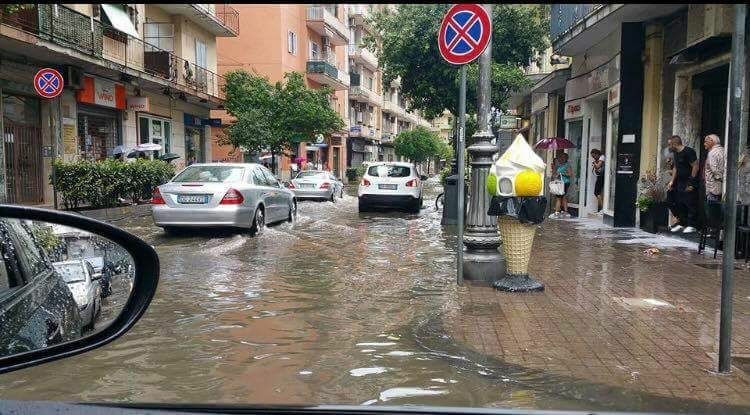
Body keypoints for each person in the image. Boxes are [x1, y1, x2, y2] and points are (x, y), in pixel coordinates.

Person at [666, 135, 699, 233]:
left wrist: (691, 182)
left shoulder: (689, 151)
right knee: (679, 202)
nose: (668, 147)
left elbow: (695, 166)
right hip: (679, 182)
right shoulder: (676, 153)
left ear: (675, 144)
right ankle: (682, 223)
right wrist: (672, 181)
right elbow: (676, 167)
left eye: (669, 145)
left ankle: (692, 225)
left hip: (688, 181)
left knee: (690, 203)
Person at [549, 152, 573, 219]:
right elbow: (555, 173)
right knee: (563, 197)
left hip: (564, 183)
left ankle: (557, 212)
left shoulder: (567, 165)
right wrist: (553, 168)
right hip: (561, 183)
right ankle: (565, 211)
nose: (560, 159)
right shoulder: (560, 165)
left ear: (565, 158)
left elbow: (570, 174)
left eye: (562, 157)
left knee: (558, 197)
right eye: (560, 158)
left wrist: (561, 174)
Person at [703, 133, 725, 203]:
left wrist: (720, 178)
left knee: (712, 210)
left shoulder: (712, 153)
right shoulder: (723, 150)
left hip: (713, 188)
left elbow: (714, 170)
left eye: (706, 141)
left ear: (712, 141)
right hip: (721, 187)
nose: (704, 144)